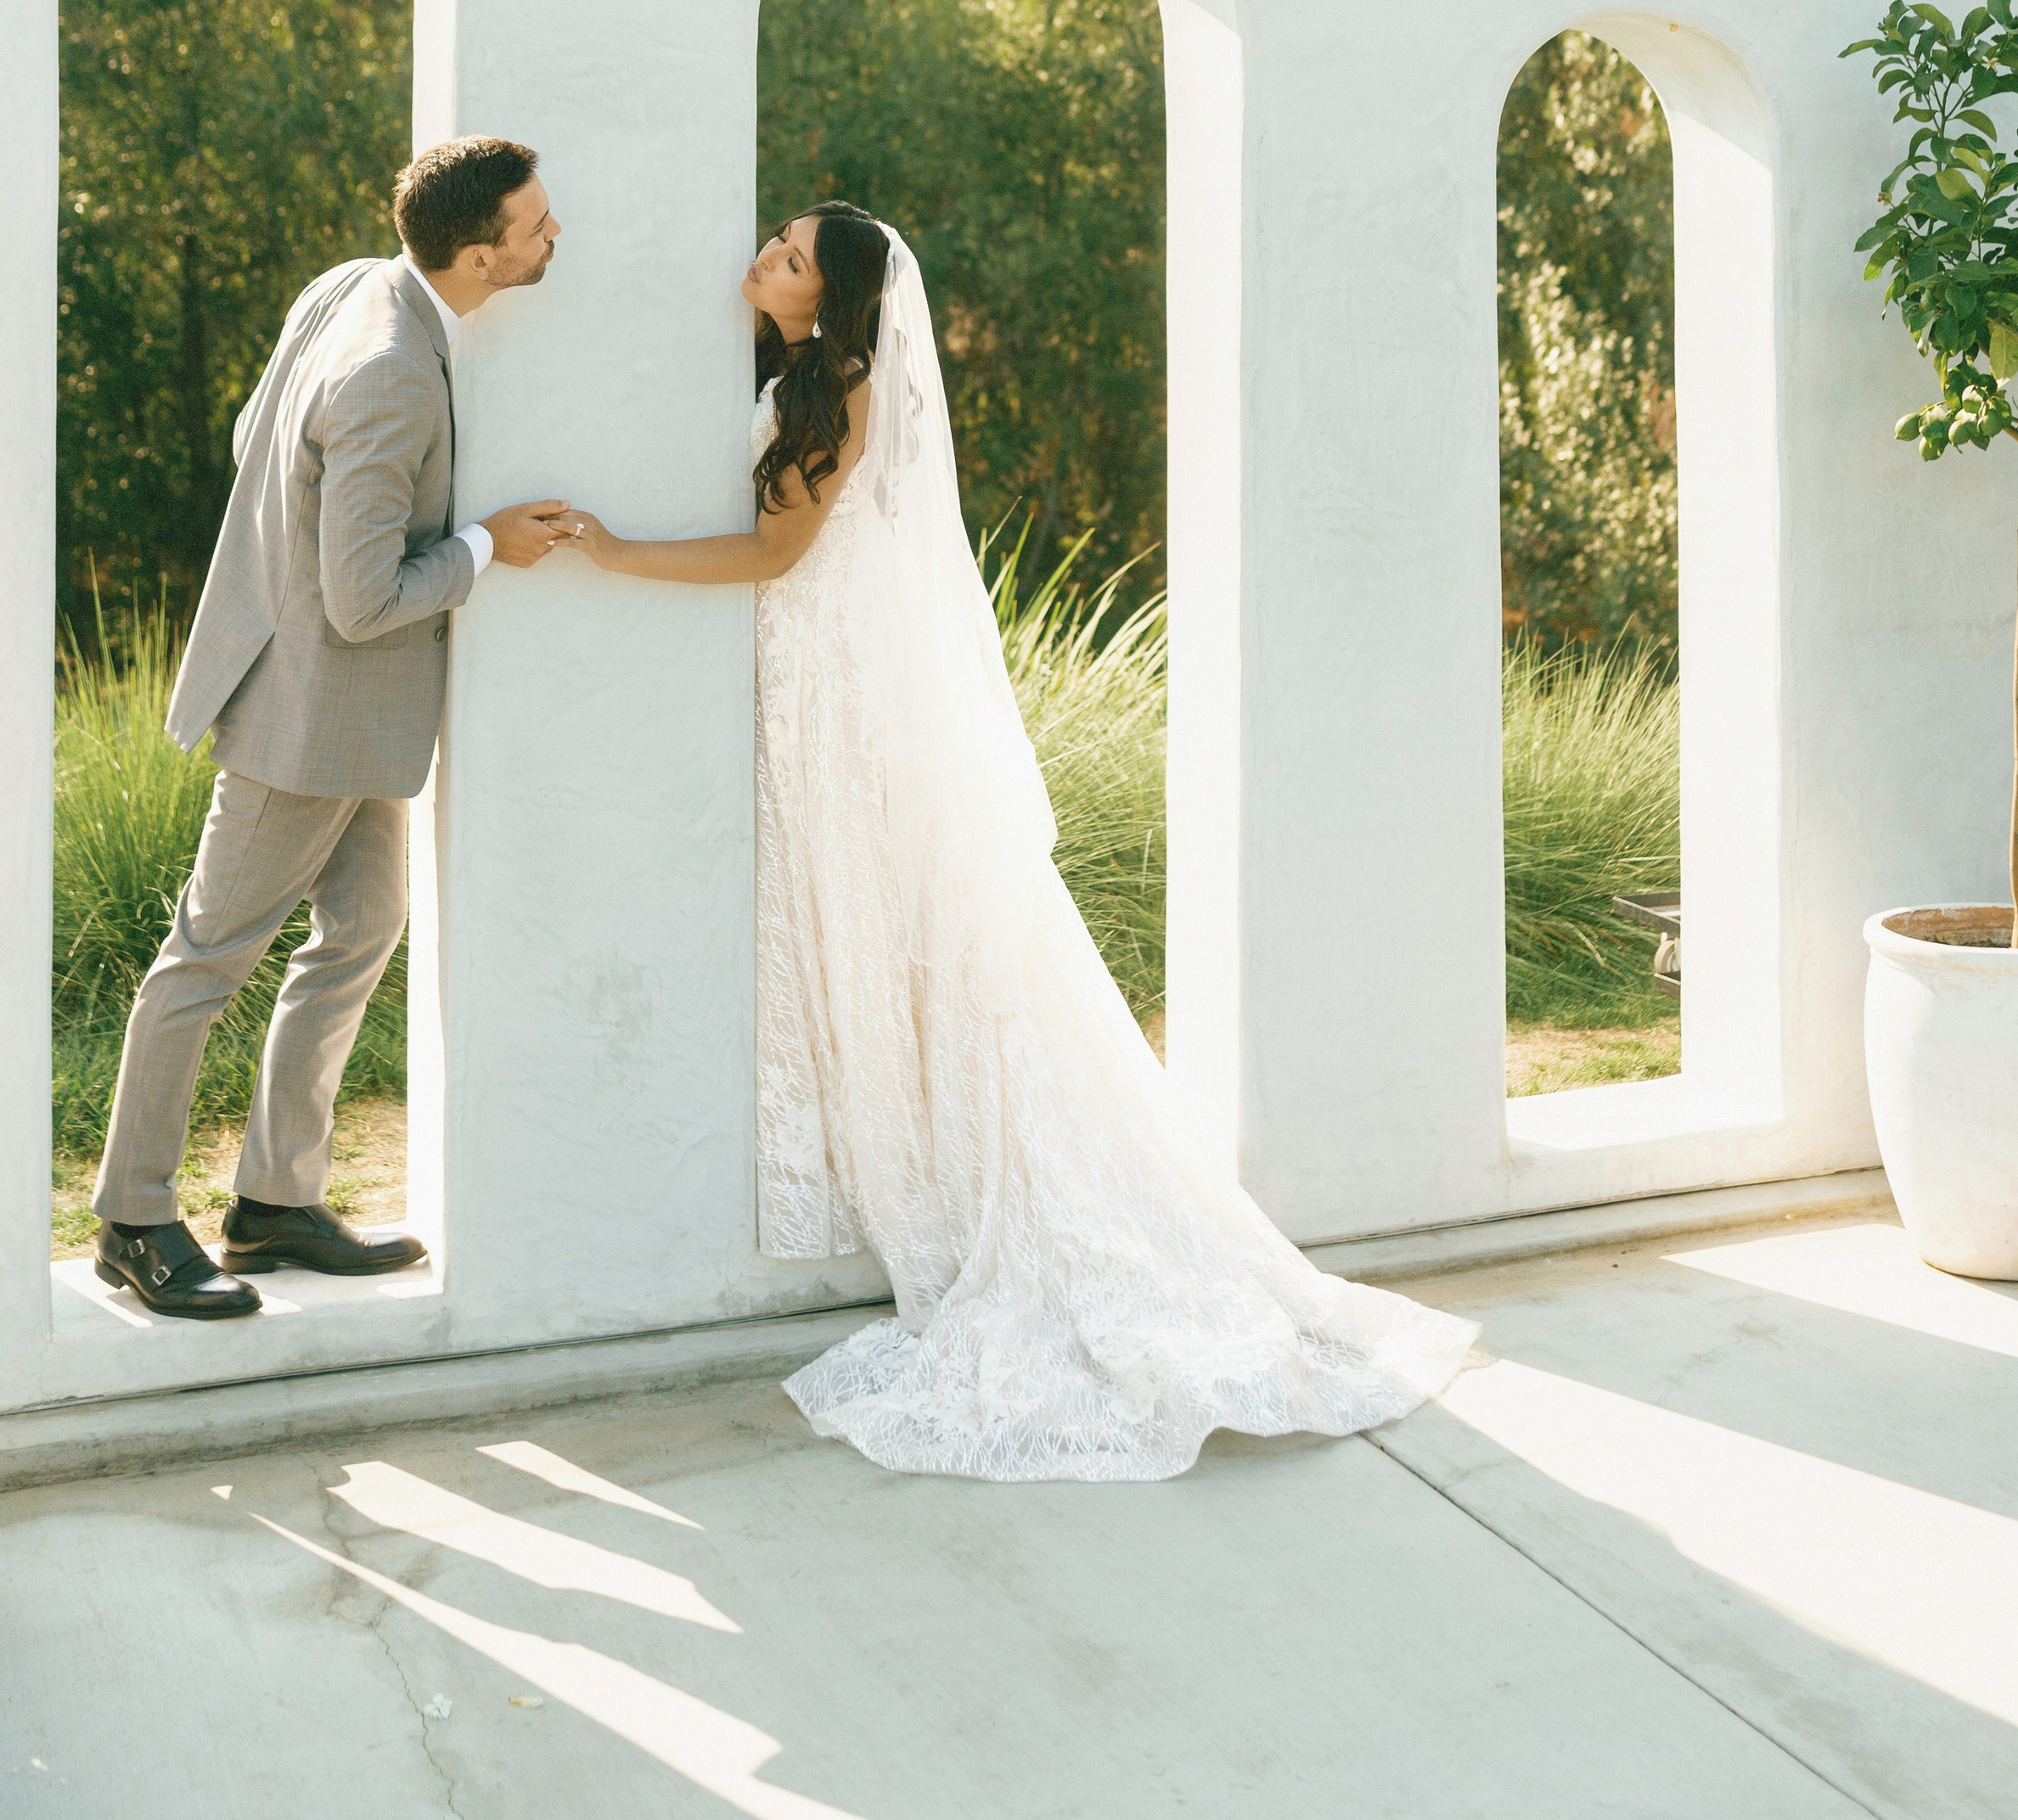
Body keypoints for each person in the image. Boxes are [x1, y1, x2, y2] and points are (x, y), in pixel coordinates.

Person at [554, 203, 1476, 1480]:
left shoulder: (847, 391)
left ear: (834, 297)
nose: (765, 258)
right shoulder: (810, 372)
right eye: (776, 240)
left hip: (843, 693)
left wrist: (611, 551)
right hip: (814, 678)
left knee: (916, 938)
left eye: (792, 257)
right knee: (867, 932)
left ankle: (1006, 1191)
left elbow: (776, 553)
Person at [91, 137, 571, 1320]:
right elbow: (362, 602)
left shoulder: (353, 282)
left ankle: (275, 1201)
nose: (554, 235)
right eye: (536, 226)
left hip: (356, 719)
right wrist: (484, 547)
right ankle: (133, 1218)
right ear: (479, 256)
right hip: (302, 718)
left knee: (361, 929)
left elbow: (255, 435)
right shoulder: (394, 370)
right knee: (205, 960)